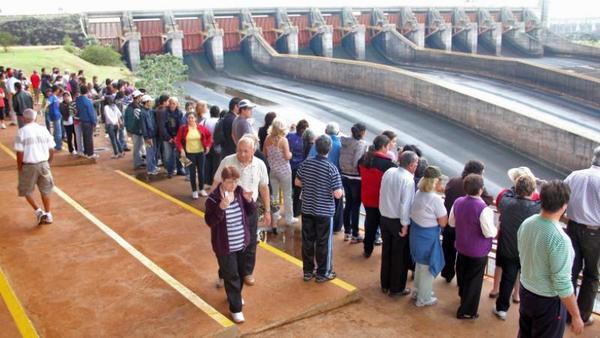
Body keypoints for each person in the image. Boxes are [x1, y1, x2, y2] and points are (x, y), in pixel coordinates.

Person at [518, 180, 584, 337]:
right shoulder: (560, 239)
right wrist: (576, 315)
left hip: (526, 291)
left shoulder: (527, 223)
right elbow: (562, 283)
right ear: (564, 206)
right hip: (547, 302)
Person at [211, 136, 271, 286]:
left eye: (246, 151)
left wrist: (268, 210)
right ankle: (224, 274)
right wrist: (212, 206)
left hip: (249, 209)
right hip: (229, 210)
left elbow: (264, 187)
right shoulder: (228, 161)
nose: (242, 154)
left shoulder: (260, 165)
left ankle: (247, 272)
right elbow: (217, 182)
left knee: (250, 243)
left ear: (253, 151)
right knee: (226, 244)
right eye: (239, 150)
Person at [205, 165, 255, 323]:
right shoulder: (213, 198)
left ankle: (235, 296)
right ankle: (235, 309)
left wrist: (250, 200)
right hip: (224, 246)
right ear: (222, 181)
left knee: (240, 273)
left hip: (241, 243)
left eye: (235, 181)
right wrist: (221, 208)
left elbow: (251, 211)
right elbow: (209, 221)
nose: (232, 185)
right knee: (231, 275)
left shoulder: (240, 192)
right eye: (229, 181)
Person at [295, 135, 344, 283]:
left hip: (307, 208)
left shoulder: (307, 163)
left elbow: (297, 182)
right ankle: (323, 272)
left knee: (308, 241)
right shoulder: (331, 168)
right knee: (324, 243)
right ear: (329, 148)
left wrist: (310, 185)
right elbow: (337, 194)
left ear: (316, 147)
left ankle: (308, 272)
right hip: (324, 212)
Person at [492, 175, 540, 320]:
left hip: (507, 248)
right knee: (526, 279)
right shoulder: (537, 207)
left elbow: (506, 193)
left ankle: (502, 309)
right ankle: (525, 307)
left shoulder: (506, 202)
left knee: (507, 278)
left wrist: (515, 186)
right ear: (532, 190)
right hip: (526, 251)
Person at [448, 174, 497, 319]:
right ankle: (467, 311)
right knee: (474, 281)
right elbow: (489, 232)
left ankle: (463, 296)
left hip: (462, 246)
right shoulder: (484, 209)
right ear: (481, 190)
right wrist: (496, 230)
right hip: (478, 251)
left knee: (463, 274)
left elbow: (451, 223)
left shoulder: (458, 202)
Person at [564, 146, 600, 326]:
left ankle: (566, 312)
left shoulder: (575, 175)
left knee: (570, 271)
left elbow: (561, 197)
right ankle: (583, 316)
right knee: (591, 275)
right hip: (594, 233)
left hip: (572, 227)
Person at [442, 160, 493, 283]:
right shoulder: (475, 187)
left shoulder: (453, 181)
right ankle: (462, 284)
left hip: (450, 224)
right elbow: (488, 200)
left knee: (448, 251)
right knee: (463, 257)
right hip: (465, 229)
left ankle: (447, 274)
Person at [379, 151, 418, 296]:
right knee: (399, 256)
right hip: (398, 221)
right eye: (415, 164)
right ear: (411, 165)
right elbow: (405, 205)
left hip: (384, 218)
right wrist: (405, 225)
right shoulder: (408, 180)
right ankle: (396, 287)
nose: (416, 167)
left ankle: (385, 284)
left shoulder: (389, 172)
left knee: (386, 251)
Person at [409, 166, 447, 306]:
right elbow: (443, 222)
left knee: (419, 264)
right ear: (435, 182)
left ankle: (417, 291)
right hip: (428, 237)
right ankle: (423, 298)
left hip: (416, 234)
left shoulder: (418, 192)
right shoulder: (435, 199)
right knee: (427, 268)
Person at [14, 109, 55, 224]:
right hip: (44, 164)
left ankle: (38, 210)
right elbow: (51, 149)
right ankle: (48, 214)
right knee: (46, 190)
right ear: (35, 118)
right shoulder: (43, 130)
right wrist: (48, 162)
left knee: (25, 190)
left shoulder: (21, 132)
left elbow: (19, 153)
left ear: (23, 118)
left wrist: (20, 167)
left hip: (29, 166)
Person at [358, 135, 396, 258]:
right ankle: (386, 252)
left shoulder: (363, 159)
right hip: (381, 201)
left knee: (370, 224)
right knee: (385, 227)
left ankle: (367, 249)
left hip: (367, 198)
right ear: (384, 146)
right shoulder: (388, 165)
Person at [308, 122, 343, 232]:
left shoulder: (316, 144)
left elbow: (309, 158)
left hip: (314, 177)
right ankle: (335, 226)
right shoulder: (339, 145)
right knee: (336, 202)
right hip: (332, 179)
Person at [263, 118, 297, 226]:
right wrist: (291, 154)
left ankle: (275, 215)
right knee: (287, 195)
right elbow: (287, 156)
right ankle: (289, 218)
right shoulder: (283, 140)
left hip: (273, 171)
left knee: (274, 195)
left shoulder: (267, 138)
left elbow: (264, 154)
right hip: (284, 172)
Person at [339, 122, 368, 243]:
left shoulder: (345, 141)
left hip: (344, 175)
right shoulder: (361, 144)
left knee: (349, 204)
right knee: (355, 206)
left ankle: (347, 232)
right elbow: (357, 161)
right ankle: (355, 234)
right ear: (362, 132)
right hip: (356, 178)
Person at [175, 112, 213, 199]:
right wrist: (181, 150)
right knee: (192, 173)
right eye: (189, 118)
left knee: (201, 171)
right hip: (189, 153)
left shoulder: (201, 128)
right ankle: (194, 190)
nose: (190, 119)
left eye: (192, 118)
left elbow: (209, 136)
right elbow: (178, 140)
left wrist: (208, 146)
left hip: (200, 153)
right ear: (187, 119)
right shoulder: (183, 128)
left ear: (195, 119)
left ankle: (201, 189)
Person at [287, 119, 309, 218]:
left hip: (288, 167)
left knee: (288, 191)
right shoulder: (306, 141)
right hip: (300, 169)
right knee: (298, 192)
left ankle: (287, 212)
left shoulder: (289, 136)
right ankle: (296, 212)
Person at [159, 97, 184, 178]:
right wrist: (169, 138)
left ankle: (180, 169)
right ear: (168, 103)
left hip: (177, 137)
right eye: (171, 103)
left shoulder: (179, 112)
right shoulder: (164, 112)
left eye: (174, 103)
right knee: (168, 155)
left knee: (180, 153)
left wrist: (177, 137)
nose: (172, 105)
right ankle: (170, 171)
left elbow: (181, 126)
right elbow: (162, 127)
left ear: (177, 104)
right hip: (167, 137)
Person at [124, 90, 145, 169]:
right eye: (140, 96)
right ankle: (137, 163)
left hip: (133, 130)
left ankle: (138, 161)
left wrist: (128, 129)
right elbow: (137, 120)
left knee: (138, 146)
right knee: (137, 147)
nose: (141, 98)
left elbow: (125, 119)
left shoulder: (129, 107)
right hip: (136, 130)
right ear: (137, 98)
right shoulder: (136, 108)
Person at [75, 86, 98, 159]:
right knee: (89, 138)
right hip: (88, 121)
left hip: (82, 121)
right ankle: (90, 154)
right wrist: (94, 122)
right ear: (87, 91)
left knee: (85, 137)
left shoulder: (78, 100)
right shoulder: (88, 101)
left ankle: (86, 152)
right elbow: (91, 113)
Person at [140, 95, 160, 175]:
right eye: (150, 101)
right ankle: (150, 169)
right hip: (149, 136)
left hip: (153, 134)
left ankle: (153, 166)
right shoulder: (143, 113)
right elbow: (143, 126)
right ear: (147, 102)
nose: (151, 102)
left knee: (153, 151)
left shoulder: (150, 111)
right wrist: (147, 137)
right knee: (150, 152)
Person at [204, 105, 221, 185]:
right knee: (216, 164)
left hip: (207, 144)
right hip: (216, 145)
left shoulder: (205, 121)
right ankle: (214, 182)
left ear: (210, 113)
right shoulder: (219, 121)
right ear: (218, 113)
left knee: (208, 162)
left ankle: (207, 180)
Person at [46, 85, 63, 151]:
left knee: (57, 131)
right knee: (58, 131)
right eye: (58, 89)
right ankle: (58, 146)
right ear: (57, 90)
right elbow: (47, 104)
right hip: (55, 116)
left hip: (57, 115)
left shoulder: (54, 97)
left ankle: (57, 144)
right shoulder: (52, 97)